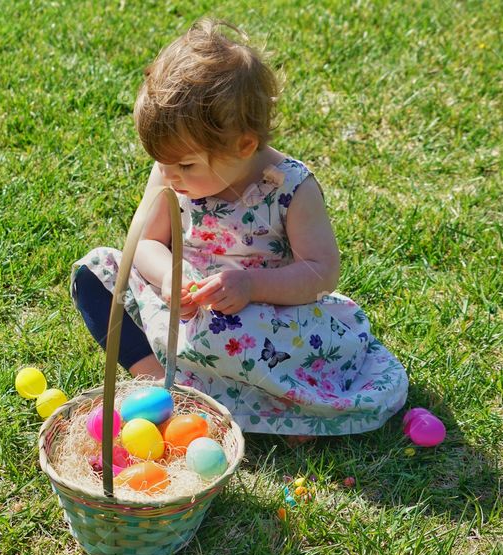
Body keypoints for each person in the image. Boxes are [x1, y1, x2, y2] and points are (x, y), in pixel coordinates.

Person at [71, 19, 408, 438]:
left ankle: (280, 401)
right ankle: (159, 382)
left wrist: (249, 286)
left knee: (256, 342)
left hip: (264, 318)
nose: (170, 176)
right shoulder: (172, 169)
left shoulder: (289, 188)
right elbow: (145, 242)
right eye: (162, 163)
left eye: (185, 165)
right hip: (187, 311)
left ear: (244, 146)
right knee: (96, 272)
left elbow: (321, 273)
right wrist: (168, 279)